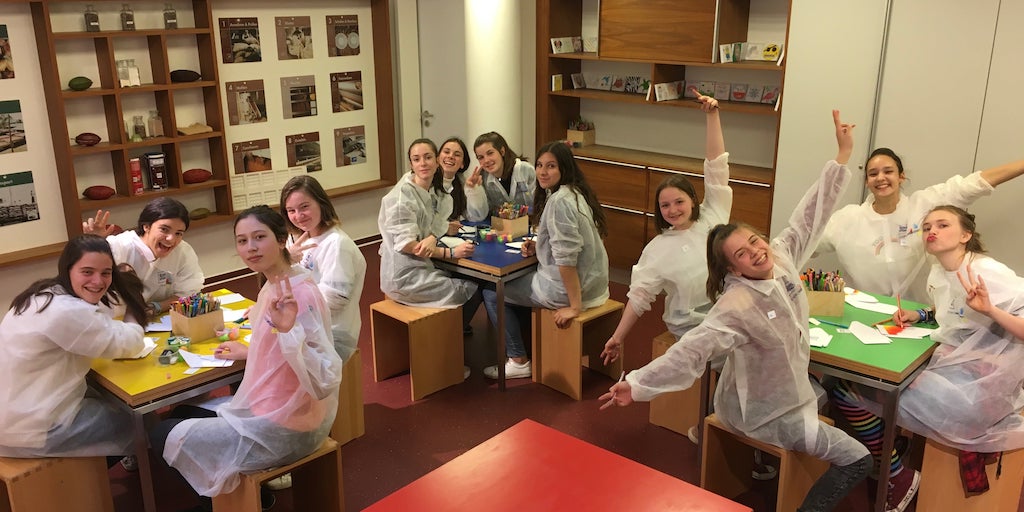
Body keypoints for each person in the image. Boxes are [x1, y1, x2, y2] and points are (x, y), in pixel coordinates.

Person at [601, 111, 873, 512]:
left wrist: (842, 154)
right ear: (733, 270)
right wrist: (638, 384)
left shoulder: (780, 258)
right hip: (763, 413)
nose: (757, 252)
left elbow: (809, 216)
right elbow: (691, 349)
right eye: (743, 254)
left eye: (755, 241)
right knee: (859, 459)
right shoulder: (736, 304)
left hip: (778, 394)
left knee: (823, 392)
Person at [831, 205, 1024, 511]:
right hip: (954, 367)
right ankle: (891, 447)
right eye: (927, 227)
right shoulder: (939, 270)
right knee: (862, 381)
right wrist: (920, 314)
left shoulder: (987, 272)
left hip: (979, 387)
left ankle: (896, 473)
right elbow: (952, 309)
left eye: (943, 225)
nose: (932, 231)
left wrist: (990, 310)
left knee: (846, 389)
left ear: (966, 235)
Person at [149, 206, 341, 510]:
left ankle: (224, 504)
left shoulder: (298, 294)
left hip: (287, 426)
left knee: (161, 434)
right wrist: (251, 350)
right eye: (242, 240)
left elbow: (322, 376)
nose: (250, 248)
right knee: (182, 412)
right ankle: (240, 497)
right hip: (275, 408)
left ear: (281, 240)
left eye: (259, 237)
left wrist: (288, 330)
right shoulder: (277, 282)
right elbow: (281, 347)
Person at [600, 90, 730, 368]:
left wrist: (713, 116)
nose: (672, 210)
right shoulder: (658, 248)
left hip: (725, 309)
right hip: (691, 323)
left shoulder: (713, 218)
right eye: (665, 206)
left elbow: (717, 167)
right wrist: (617, 337)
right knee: (739, 353)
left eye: (679, 202)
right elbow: (639, 297)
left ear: (693, 200)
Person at [0, 235, 147, 459]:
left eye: (106, 273)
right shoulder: (67, 311)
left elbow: (98, 320)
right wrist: (135, 304)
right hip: (33, 428)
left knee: (107, 397)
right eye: (87, 272)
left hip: (13, 413)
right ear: (68, 269)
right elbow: (130, 343)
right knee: (141, 420)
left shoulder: (41, 294)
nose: (98, 281)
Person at [816, 148, 1024, 302]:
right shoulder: (846, 219)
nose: (880, 178)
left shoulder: (925, 205)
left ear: (901, 176)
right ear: (866, 181)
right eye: (873, 174)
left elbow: (973, 184)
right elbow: (807, 242)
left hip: (918, 315)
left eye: (888, 171)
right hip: (864, 317)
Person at [481, 141, 610, 380]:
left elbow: (566, 260)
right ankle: (528, 341)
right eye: (540, 165)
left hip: (570, 291)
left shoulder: (559, 202)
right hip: (596, 284)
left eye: (551, 166)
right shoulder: (576, 193)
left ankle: (518, 360)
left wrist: (574, 307)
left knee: (491, 290)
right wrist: (541, 246)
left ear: (564, 168)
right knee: (515, 281)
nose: (542, 172)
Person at [378, 138, 477, 309]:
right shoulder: (401, 198)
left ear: (437, 161)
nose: (423, 163)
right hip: (405, 278)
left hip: (423, 265)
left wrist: (434, 236)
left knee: (470, 280)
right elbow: (410, 246)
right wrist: (451, 252)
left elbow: (438, 216)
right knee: (473, 288)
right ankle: (452, 326)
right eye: (416, 159)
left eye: (428, 157)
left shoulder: (430, 190)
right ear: (411, 164)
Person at [281, 175, 366, 362]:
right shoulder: (298, 239)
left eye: (304, 207)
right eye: (291, 210)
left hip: (332, 336)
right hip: (305, 325)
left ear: (321, 203)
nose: (298, 216)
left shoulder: (337, 244)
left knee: (270, 358)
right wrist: (285, 261)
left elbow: (333, 301)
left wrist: (287, 309)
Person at [83, 197, 204, 315]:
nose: (171, 239)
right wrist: (94, 245)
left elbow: (188, 293)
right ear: (146, 226)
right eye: (164, 229)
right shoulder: (119, 246)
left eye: (178, 233)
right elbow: (87, 277)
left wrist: (156, 307)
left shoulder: (183, 251)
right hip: (112, 319)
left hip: (157, 319)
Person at [463, 131, 536, 221]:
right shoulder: (482, 179)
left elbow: (539, 203)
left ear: (502, 151)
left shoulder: (526, 170)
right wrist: (474, 191)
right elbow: (478, 216)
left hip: (530, 225)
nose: (486, 160)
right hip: (499, 227)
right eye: (481, 157)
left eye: (490, 153)